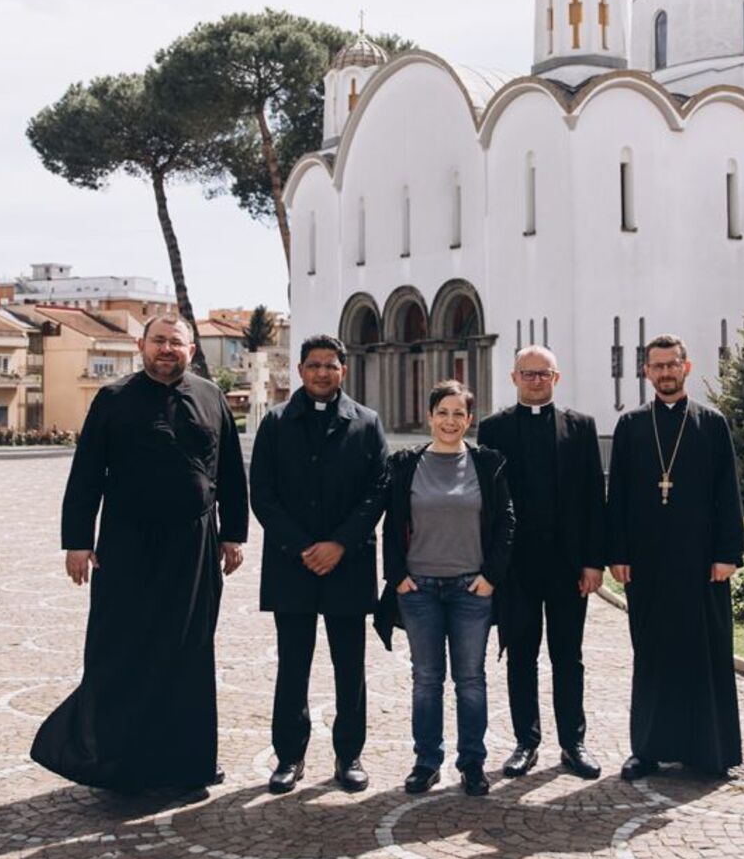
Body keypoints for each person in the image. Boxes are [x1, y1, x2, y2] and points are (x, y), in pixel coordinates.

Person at [30, 315, 248, 794]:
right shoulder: (113, 400)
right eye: (159, 341)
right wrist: (77, 542)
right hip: (125, 548)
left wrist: (233, 534)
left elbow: (230, 470)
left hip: (194, 549)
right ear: (140, 345)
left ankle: (188, 765)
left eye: (176, 342)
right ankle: (116, 763)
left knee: (188, 652)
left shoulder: (211, 397)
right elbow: (86, 473)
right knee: (121, 650)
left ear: (191, 349)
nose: (167, 349)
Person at [249, 334, 388, 795]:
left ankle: (349, 755)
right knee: (293, 666)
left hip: (347, 564)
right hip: (293, 565)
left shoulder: (367, 423)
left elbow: (377, 492)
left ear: (343, 370)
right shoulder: (275, 423)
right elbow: (262, 495)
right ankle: (290, 756)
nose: (322, 373)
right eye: (314, 365)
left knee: (350, 667)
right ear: (301, 370)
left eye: (331, 365)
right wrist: (304, 546)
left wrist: (339, 545)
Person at [607, 334, 744, 781]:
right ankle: (647, 750)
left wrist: (727, 553)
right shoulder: (630, 426)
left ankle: (710, 751)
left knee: (703, 653)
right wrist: (618, 552)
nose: (665, 372)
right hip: (646, 565)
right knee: (652, 655)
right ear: (646, 372)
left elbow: (728, 492)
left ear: (686, 368)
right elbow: (619, 496)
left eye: (672, 365)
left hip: (702, 562)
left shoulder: (712, 423)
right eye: (656, 366)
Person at [374, 380, 515, 797]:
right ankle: (426, 762)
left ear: (470, 420)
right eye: (443, 412)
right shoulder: (405, 464)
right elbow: (390, 522)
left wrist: (491, 576)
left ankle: (472, 763)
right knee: (426, 678)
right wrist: (396, 574)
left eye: (459, 413)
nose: (450, 421)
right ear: (430, 415)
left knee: (471, 679)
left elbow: (506, 522)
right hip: (419, 589)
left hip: (472, 589)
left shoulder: (488, 464)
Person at [475, 345, 606, 780]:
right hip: (517, 567)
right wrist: (492, 565)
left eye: (543, 374)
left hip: (568, 566)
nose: (535, 381)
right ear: (513, 378)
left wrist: (593, 562)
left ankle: (573, 743)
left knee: (568, 656)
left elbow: (593, 499)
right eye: (527, 373)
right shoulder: (493, 429)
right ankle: (525, 743)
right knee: (521, 656)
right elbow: (487, 504)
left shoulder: (581, 428)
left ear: (557, 378)